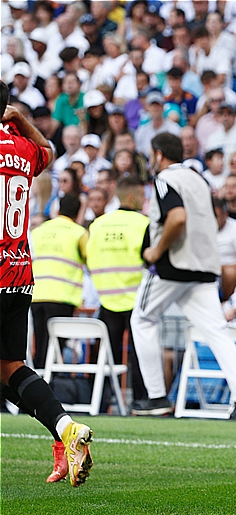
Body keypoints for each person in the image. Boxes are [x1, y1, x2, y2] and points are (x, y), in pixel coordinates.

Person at [0, 83, 93, 487]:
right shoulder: (21, 146)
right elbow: (50, 154)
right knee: (9, 367)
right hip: (18, 273)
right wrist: (21, 120)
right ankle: (65, 429)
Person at [129, 133, 236, 420]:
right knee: (216, 330)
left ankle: (156, 396)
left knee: (142, 319)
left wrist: (156, 250)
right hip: (204, 265)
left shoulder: (164, 179)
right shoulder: (199, 178)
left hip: (173, 264)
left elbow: (177, 217)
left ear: (159, 155)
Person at [85, 177, 149, 408]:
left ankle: (100, 403)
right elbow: (149, 258)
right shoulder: (143, 223)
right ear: (131, 197)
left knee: (105, 358)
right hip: (136, 300)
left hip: (107, 298)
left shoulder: (97, 225)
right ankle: (142, 403)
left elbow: (89, 258)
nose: (145, 200)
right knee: (139, 357)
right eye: (142, 196)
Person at [30, 194, 88, 370]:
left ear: (57, 209)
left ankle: (36, 388)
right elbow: (89, 259)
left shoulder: (38, 230)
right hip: (62, 297)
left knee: (40, 347)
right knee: (55, 349)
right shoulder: (79, 232)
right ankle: (47, 389)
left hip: (36, 295)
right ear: (78, 212)